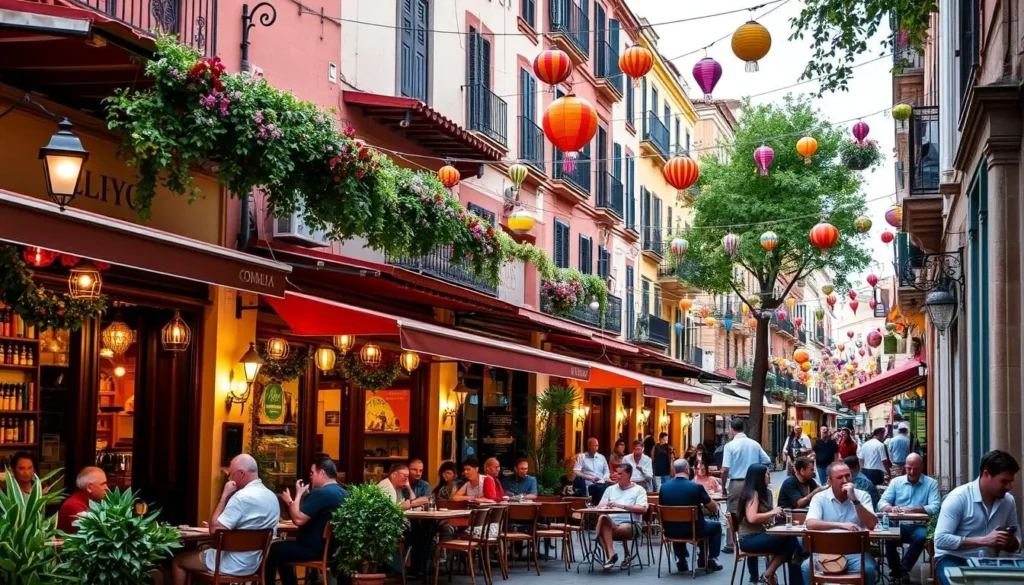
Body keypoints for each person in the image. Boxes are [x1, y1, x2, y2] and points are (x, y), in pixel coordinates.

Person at [172, 454, 280, 585]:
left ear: (241, 474)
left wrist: (224, 495)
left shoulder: (241, 497)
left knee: (179, 560)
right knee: (203, 551)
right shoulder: (272, 497)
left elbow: (214, 529)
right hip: (254, 564)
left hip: (231, 564)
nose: (229, 479)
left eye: (231, 475)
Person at [934, 450, 1020, 585]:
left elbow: (1017, 543)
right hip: (954, 559)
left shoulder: (1008, 501)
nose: (1008, 487)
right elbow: (940, 540)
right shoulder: (958, 498)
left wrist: (1010, 542)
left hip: (990, 562)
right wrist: (984, 540)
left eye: (1010, 482)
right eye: (1003, 481)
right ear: (986, 474)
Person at [265, 458, 348, 585]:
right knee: (284, 551)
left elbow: (298, 519)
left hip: (313, 549)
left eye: (312, 473)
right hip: (334, 550)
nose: (310, 477)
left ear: (322, 473)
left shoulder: (321, 493)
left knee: (274, 550)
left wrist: (295, 497)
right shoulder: (344, 493)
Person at [801, 461, 878, 585]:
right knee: (806, 568)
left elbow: (871, 524)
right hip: (825, 553)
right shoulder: (820, 497)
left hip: (856, 554)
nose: (845, 480)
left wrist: (855, 500)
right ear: (830, 481)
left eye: (848, 476)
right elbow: (810, 523)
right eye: (840, 477)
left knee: (868, 570)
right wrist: (840, 525)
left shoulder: (862, 496)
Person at [877, 453, 940, 584]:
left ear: (922, 467)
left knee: (922, 536)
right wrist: (890, 508)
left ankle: (902, 570)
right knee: (888, 537)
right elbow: (881, 503)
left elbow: (935, 507)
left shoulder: (931, 483)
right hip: (897, 524)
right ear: (904, 467)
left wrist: (913, 509)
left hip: (919, 525)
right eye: (908, 468)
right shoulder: (896, 482)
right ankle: (898, 570)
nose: (911, 472)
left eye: (915, 469)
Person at [736, 464, 803, 585]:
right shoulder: (752, 494)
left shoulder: (766, 493)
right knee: (791, 543)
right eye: (767, 473)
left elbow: (765, 515)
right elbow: (752, 518)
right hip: (749, 539)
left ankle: (768, 575)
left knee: (790, 547)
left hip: (760, 535)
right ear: (759, 477)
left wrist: (775, 515)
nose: (769, 476)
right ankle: (773, 575)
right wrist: (773, 512)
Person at [659, 459, 723, 573]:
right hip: (694, 530)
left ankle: (681, 559)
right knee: (715, 526)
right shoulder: (696, 487)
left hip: (670, 531)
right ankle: (710, 558)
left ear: (674, 471)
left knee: (677, 523)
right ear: (687, 470)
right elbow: (713, 508)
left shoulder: (664, 488)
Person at [595, 462, 648, 571]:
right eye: (616, 473)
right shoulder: (610, 489)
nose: (617, 476)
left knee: (600, 529)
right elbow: (599, 506)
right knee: (603, 519)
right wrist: (607, 506)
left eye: (620, 474)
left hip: (631, 524)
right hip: (611, 523)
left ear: (628, 475)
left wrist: (622, 506)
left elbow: (642, 509)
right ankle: (611, 555)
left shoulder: (639, 490)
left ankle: (611, 557)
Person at [57, 467, 108, 533]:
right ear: (89, 488)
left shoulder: (91, 502)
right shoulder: (74, 506)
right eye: (102, 484)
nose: (106, 488)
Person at [574, 437, 611, 503]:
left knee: (606, 487)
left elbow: (606, 471)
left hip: (601, 482)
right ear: (588, 446)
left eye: (596, 446)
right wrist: (587, 477)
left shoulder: (602, 457)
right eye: (593, 446)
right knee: (598, 489)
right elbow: (576, 471)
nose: (595, 448)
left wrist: (604, 478)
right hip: (588, 482)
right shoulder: (582, 457)